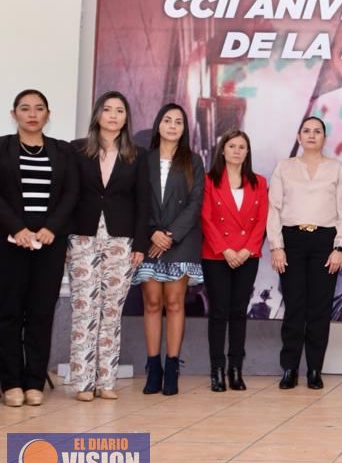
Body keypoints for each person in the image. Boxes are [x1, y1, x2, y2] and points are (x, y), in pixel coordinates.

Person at [67, 91, 149, 402]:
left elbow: (143, 203)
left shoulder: (136, 155)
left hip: (121, 240)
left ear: (127, 118)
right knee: (84, 310)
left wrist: (140, 244)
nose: (113, 115)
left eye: (119, 111)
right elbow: (69, 195)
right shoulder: (77, 150)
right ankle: (83, 383)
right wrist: (64, 238)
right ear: (97, 115)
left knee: (111, 312)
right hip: (83, 237)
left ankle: (106, 381)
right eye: (107, 109)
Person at [0, 90, 79, 407]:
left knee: (41, 313)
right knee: (8, 313)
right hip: (9, 241)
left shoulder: (62, 151)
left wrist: (51, 228)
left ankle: (34, 381)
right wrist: (16, 228)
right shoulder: (2, 148)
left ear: (48, 114)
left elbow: (71, 193)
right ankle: (11, 383)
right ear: (14, 114)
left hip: (49, 242)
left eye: (39, 109)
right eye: (25, 108)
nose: (32, 114)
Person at [268, 116, 342, 390]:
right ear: (299, 136)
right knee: (294, 307)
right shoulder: (284, 168)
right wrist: (277, 247)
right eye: (307, 131)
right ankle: (290, 368)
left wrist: (339, 247)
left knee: (319, 308)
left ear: (324, 137)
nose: (312, 135)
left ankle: (315, 369)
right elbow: (274, 210)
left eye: (317, 131)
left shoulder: (337, 169)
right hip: (292, 241)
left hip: (324, 242)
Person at [133, 103, 205, 396]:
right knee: (152, 303)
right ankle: (153, 366)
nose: (172, 125)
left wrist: (170, 235)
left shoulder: (193, 161)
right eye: (167, 120)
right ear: (158, 125)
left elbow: (195, 203)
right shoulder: (142, 159)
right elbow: (137, 201)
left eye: (178, 121)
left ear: (184, 128)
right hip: (149, 240)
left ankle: (172, 365)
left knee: (175, 303)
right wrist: (153, 233)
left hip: (181, 241)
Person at [201, 130, 268, 392]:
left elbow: (261, 221)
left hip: (247, 256)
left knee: (239, 312)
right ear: (223, 150)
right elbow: (205, 218)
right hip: (217, 255)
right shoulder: (209, 181)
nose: (237, 151)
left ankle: (235, 369)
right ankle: (216, 370)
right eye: (232, 146)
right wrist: (225, 249)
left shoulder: (259, 183)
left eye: (242, 147)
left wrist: (246, 250)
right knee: (219, 312)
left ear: (247, 152)